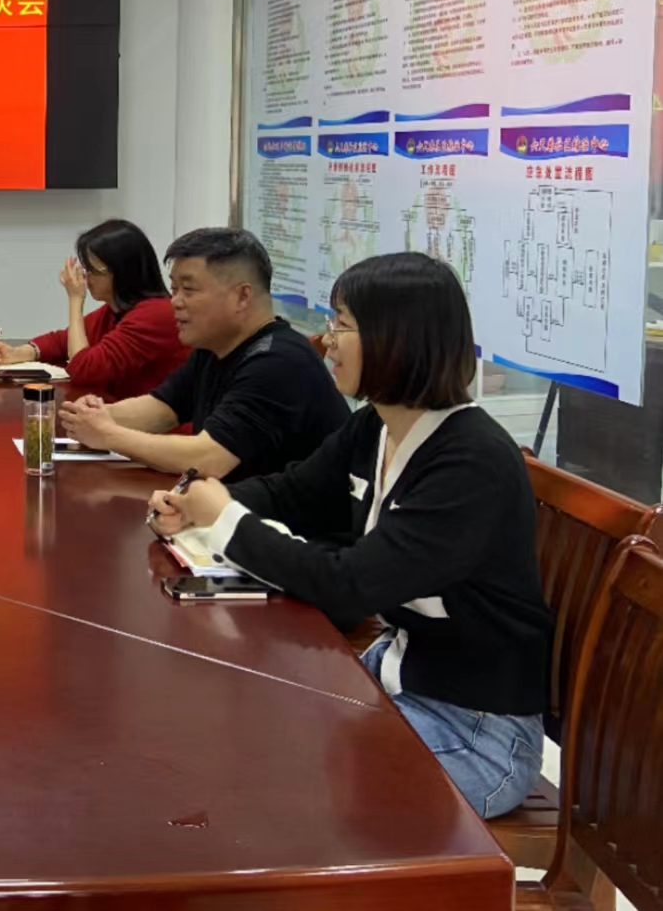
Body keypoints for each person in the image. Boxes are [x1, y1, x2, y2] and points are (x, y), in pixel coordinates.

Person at [147, 252, 551, 818]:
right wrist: (197, 504)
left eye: (341, 324)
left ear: (397, 338)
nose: (327, 341)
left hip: (477, 732)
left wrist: (225, 520)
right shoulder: (375, 425)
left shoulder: (470, 462)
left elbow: (350, 585)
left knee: (280, 788)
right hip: (400, 680)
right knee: (234, 728)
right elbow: (292, 491)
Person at [59, 227, 346, 480]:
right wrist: (91, 416)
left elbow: (209, 458)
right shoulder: (214, 349)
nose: (175, 302)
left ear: (242, 296)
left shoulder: (278, 361)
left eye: (189, 290)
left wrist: (108, 434)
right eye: (174, 289)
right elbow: (161, 409)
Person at [0, 218, 187, 398]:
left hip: (156, 427)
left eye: (93, 271)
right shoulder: (116, 310)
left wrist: (75, 299)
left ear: (122, 272)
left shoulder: (155, 315)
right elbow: (62, 340)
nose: (86, 278)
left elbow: (83, 369)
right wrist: (18, 353)